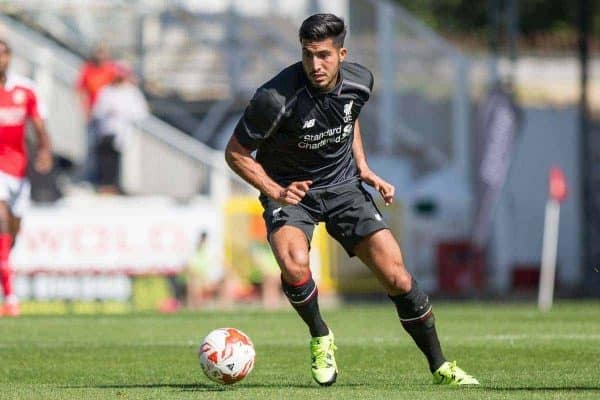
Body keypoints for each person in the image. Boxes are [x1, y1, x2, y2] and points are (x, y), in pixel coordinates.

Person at [224, 14, 479, 387]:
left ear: (342, 53)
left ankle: (441, 367)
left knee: (397, 276)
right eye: (308, 55)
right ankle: (321, 336)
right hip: (291, 191)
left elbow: (348, 118)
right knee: (294, 266)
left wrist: (364, 167)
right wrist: (277, 191)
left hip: (344, 187)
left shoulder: (361, 82)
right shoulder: (274, 98)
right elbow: (236, 154)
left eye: (324, 55)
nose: (316, 65)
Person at [0, 39, 53, 317]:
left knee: (13, 232)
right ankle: (11, 298)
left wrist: (45, 149)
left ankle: (4, 271)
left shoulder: (25, 89)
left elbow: (39, 125)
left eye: (3, 54)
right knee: (1, 222)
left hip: (18, 170)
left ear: (10, 57)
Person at [91, 63, 149, 194]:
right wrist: (109, 111)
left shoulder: (132, 92)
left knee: (124, 163)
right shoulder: (106, 91)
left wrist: (124, 113)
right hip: (107, 132)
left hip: (125, 133)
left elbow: (141, 112)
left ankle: (121, 186)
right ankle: (106, 186)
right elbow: (97, 110)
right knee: (106, 161)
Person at [75, 44, 119, 184]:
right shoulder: (88, 69)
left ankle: (108, 180)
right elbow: (80, 90)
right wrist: (85, 110)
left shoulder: (111, 69)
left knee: (109, 149)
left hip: (109, 117)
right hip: (94, 114)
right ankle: (91, 177)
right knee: (91, 147)